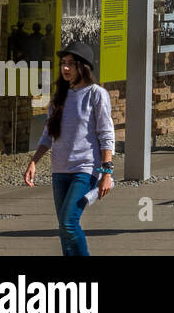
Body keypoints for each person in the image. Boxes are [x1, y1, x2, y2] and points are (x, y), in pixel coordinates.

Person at [23, 42, 114, 256]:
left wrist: (106, 173)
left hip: (85, 168)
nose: (65, 68)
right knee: (64, 229)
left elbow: (106, 134)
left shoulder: (96, 94)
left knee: (69, 223)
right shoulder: (58, 98)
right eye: (63, 63)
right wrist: (34, 161)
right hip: (60, 170)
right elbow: (48, 135)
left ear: (83, 66)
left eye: (71, 64)